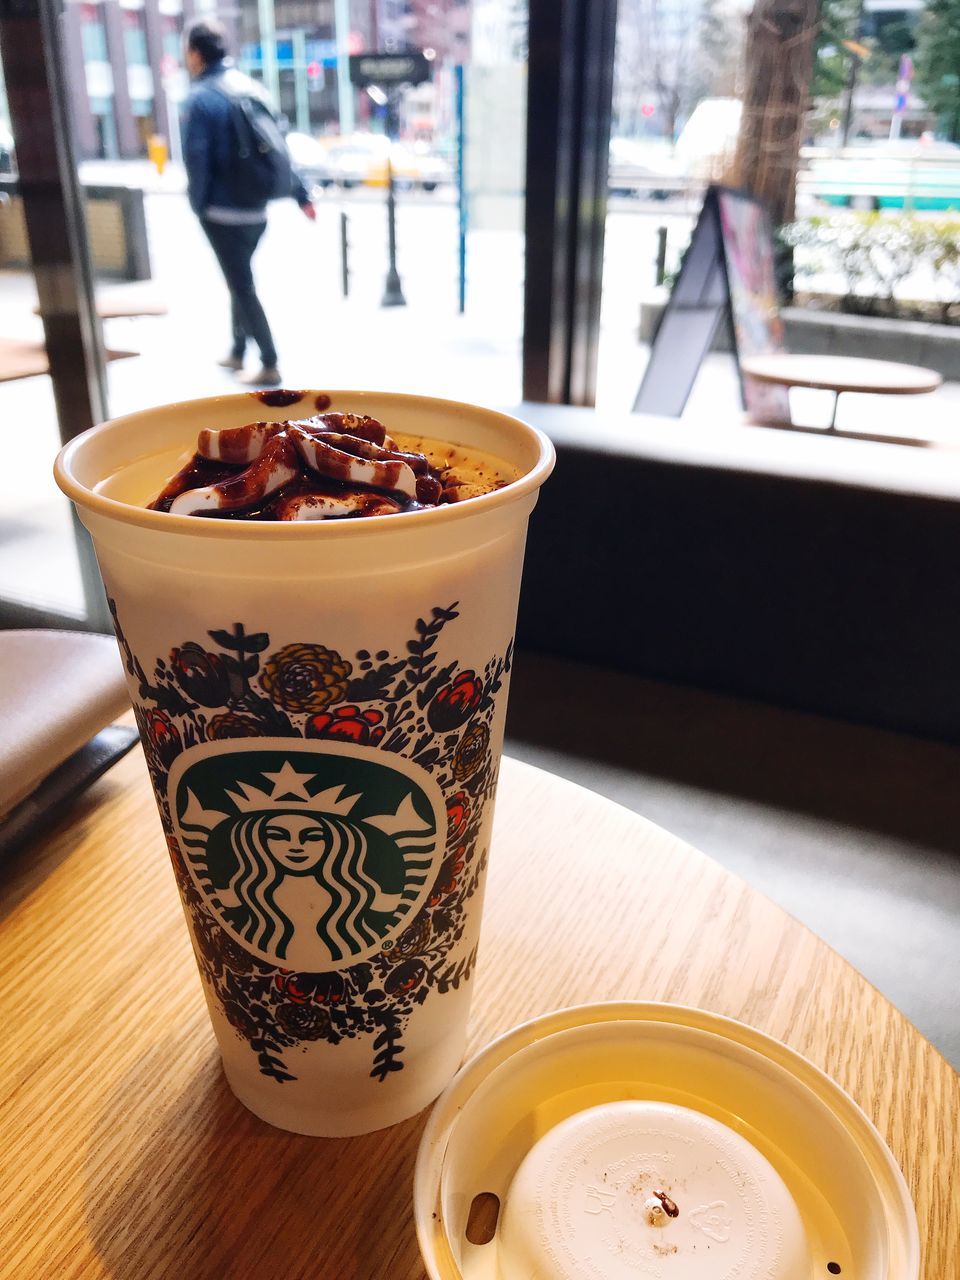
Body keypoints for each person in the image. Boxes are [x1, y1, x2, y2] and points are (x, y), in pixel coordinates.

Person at [182, 19, 316, 387]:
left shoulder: (200, 99)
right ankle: (238, 350)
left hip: (222, 213)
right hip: (257, 211)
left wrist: (199, 205)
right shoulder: (252, 89)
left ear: (195, 54)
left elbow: (197, 160)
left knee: (240, 284)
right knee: (238, 278)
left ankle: (269, 360)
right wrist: (301, 194)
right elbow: (281, 147)